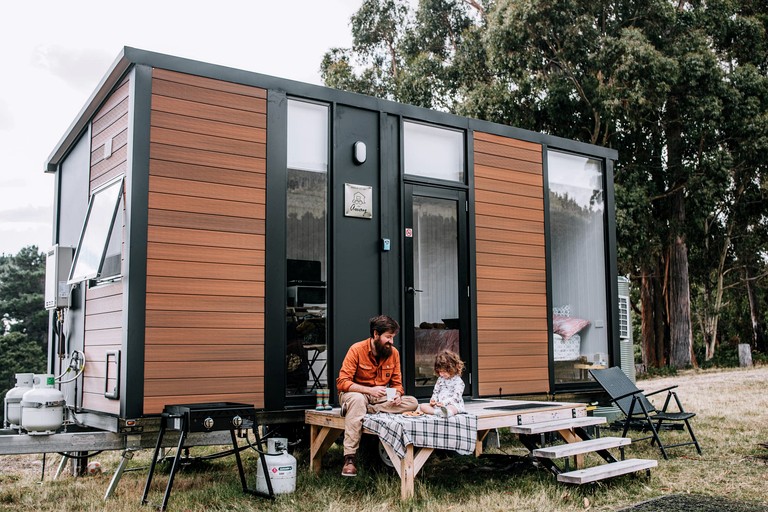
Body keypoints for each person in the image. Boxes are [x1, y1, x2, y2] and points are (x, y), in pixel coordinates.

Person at [336, 315, 418, 477]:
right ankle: (349, 458)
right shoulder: (356, 349)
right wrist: (368, 390)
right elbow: (342, 383)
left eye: (393, 337)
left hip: (378, 398)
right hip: (355, 394)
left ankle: (370, 410)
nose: (391, 342)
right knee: (358, 400)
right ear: (375, 334)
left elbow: (397, 384)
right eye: (388, 337)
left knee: (412, 402)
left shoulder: (393, 353)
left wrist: (398, 395)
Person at [418, 350, 465, 417]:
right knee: (422, 406)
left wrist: (444, 403)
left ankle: (447, 413)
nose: (441, 374)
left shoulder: (458, 381)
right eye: (439, 371)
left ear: (452, 368)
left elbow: (456, 397)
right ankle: (437, 412)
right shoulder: (440, 379)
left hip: (452, 404)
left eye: (444, 372)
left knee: (452, 408)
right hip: (439, 405)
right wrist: (433, 400)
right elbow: (436, 392)